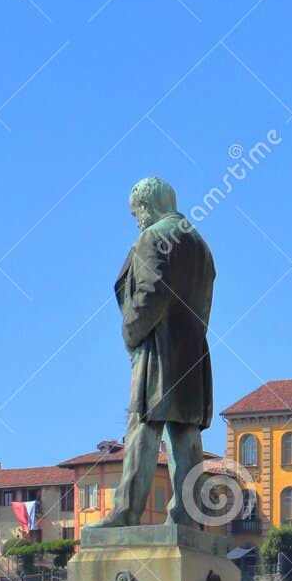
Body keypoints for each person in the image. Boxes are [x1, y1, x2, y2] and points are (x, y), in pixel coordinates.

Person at [100, 177, 215, 526]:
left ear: (147, 207)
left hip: (159, 349)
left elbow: (150, 294)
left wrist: (131, 333)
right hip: (194, 352)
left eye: (136, 212)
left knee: (142, 428)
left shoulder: (155, 237)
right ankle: (186, 516)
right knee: (185, 433)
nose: (136, 220)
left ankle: (125, 513)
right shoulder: (200, 245)